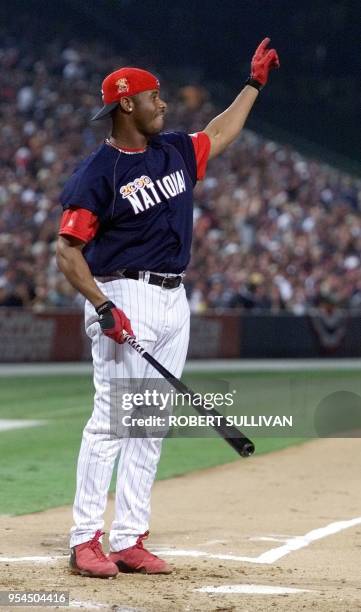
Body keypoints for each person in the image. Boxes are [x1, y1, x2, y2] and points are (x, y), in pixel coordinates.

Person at [56, 38, 279, 578]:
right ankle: (86, 538)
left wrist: (252, 86)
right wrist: (103, 306)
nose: (165, 105)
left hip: (173, 296)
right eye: (155, 97)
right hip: (121, 293)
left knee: (151, 423)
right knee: (112, 420)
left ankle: (130, 537)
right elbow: (67, 250)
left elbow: (221, 131)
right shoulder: (99, 172)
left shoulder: (176, 150)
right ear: (127, 103)